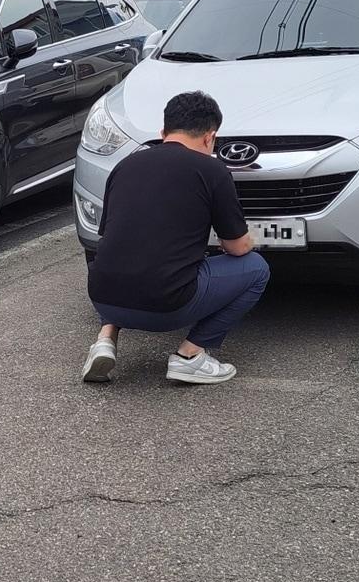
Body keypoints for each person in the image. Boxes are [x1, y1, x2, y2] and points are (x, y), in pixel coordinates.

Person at [82, 91, 269, 385]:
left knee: (122, 256)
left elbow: (109, 236)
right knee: (257, 268)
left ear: (164, 132)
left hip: (103, 299)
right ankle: (190, 355)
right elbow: (237, 246)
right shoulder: (212, 170)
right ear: (210, 137)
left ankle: (105, 339)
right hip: (166, 309)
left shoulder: (125, 166)